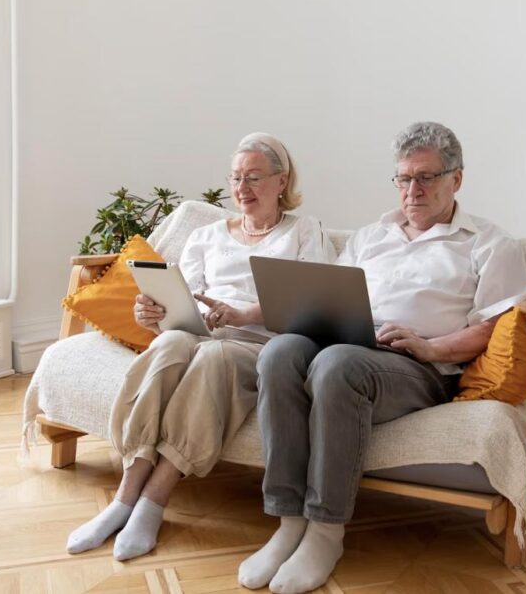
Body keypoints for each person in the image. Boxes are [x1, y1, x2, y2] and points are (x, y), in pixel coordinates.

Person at [238, 122, 526, 593]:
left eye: (426, 178)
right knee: (280, 352)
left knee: (337, 367)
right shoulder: (372, 235)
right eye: (403, 179)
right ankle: (288, 521)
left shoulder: (489, 244)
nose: (412, 190)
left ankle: (326, 531)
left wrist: (430, 346)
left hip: (421, 366)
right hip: (348, 342)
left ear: (456, 179)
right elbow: (327, 294)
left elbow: (495, 327)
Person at [66, 133, 336, 561]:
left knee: (214, 355)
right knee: (172, 344)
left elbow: (315, 303)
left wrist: (245, 315)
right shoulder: (208, 235)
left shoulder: (305, 232)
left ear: (281, 181)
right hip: (199, 334)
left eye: (253, 178)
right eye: (235, 179)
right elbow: (182, 299)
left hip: (261, 345)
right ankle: (123, 500)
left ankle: (154, 501)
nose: (241, 189)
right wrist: (152, 315)